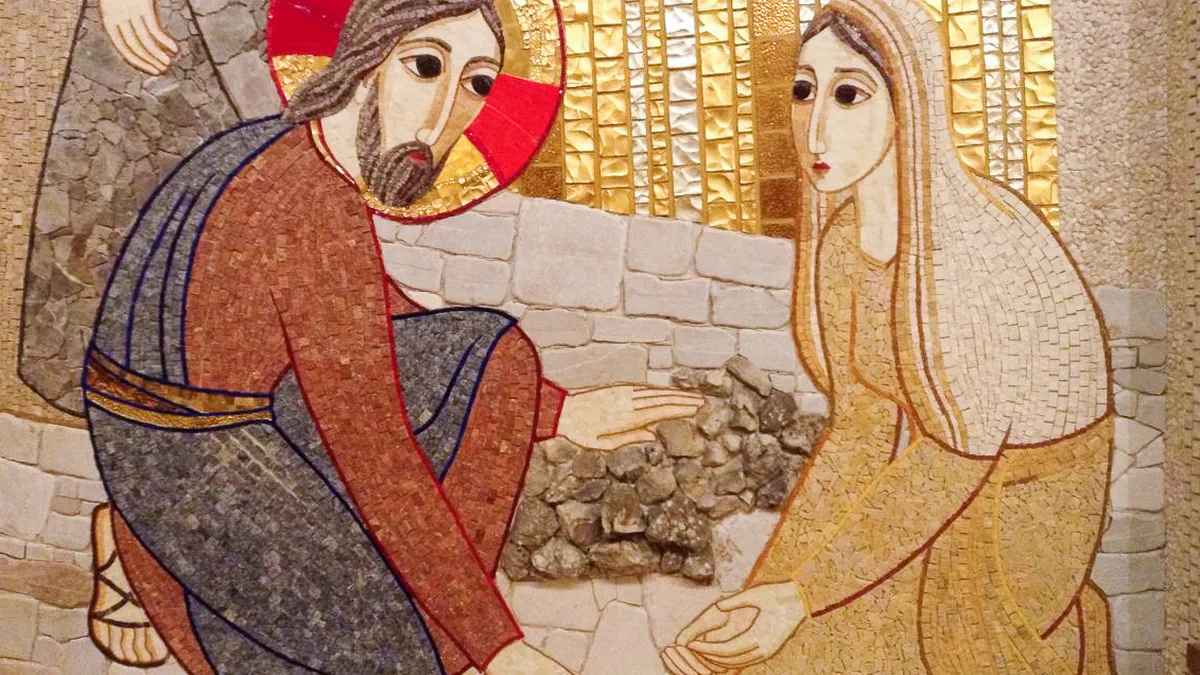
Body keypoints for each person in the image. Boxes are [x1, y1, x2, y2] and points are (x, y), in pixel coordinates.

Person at [82, 0, 704, 672]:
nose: (441, 116)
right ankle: (144, 552)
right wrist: (497, 646)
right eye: (425, 66)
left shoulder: (281, 147)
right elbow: (373, 450)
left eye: (477, 83)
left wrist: (559, 412)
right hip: (182, 462)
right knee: (402, 657)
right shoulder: (311, 203)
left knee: (493, 356)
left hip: (217, 415)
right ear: (364, 58)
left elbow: (366, 315)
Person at [660, 1, 1115, 673]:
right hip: (943, 468)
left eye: (849, 95)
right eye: (804, 90)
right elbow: (862, 430)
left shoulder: (972, 250)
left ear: (909, 103)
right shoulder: (843, 245)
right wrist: (772, 594)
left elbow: (957, 460)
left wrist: (805, 595)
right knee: (802, 644)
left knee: (935, 632)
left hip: (1027, 494)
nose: (816, 129)